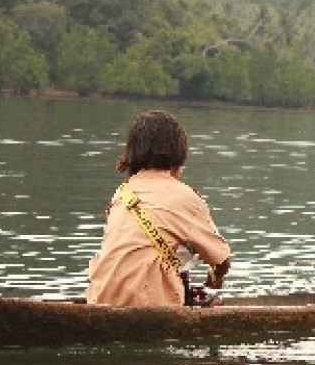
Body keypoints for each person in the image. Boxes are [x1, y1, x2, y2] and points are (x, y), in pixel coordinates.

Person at [86, 110, 231, 307]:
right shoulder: (186, 197)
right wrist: (215, 279)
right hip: (149, 305)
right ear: (179, 155)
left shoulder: (122, 194)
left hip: (99, 299)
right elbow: (222, 259)